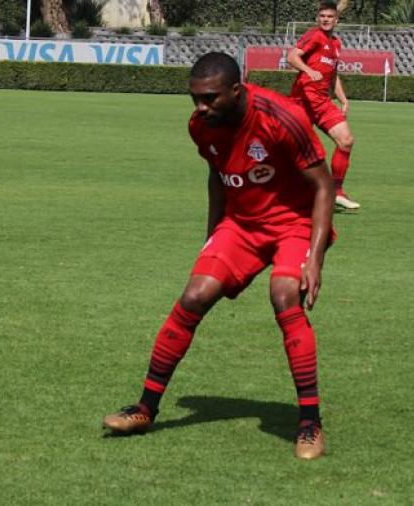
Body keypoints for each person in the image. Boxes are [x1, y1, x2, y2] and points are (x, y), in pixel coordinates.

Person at [102, 52, 335, 460]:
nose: (201, 107)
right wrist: (213, 235)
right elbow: (217, 173)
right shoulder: (202, 126)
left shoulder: (282, 118)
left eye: (209, 98)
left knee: (284, 296)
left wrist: (314, 257)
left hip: (294, 224)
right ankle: (145, 409)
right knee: (194, 295)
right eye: (194, 98)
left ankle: (310, 423)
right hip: (241, 224)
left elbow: (323, 186)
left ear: (236, 91)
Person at [287, 1, 359, 210]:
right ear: (318, 18)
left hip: (322, 103)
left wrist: (343, 99)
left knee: (346, 141)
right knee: (290, 150)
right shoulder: (314, 35)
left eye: (330, 16)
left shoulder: (336, 43)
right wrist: (308, 71)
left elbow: (333, 75)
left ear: (337, 19)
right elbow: (292, 56)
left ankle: (336, 192)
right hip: (302, 102)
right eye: (322, 16)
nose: (325, 19)